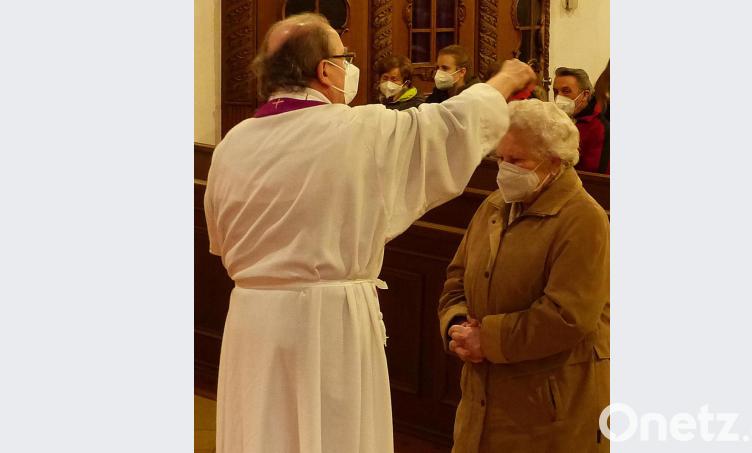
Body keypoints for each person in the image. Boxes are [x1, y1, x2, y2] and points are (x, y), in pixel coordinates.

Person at [204, 12, 536, 453]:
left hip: (253, 320)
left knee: (262, 431)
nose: (350, 67)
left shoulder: (233, 143)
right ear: (325, 69)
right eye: (345, 57)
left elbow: (220, 241)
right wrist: (507, 78)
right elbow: (454, 124)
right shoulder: (358, 130)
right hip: (328, 323)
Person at [438, 100, 610, 453]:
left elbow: (567, 316)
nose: (504, 171)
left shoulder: (583, 219)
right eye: (500, 159)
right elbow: (457, 277)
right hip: (483, 394)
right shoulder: (494, 206)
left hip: (548, 405)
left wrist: (488, 339)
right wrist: (456, 326)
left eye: (517, 161)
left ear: (555, 162)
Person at [553, 67, 609, 174]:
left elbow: (595, 176)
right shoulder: (553, 119)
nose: (558, 97)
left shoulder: (599, 128)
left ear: (585, 95)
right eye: (556, 92)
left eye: (566, 91)